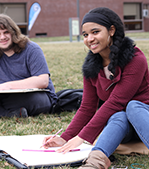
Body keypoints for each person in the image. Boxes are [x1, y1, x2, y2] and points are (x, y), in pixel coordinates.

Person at [42, 7, 149, 169]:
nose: (89, 38)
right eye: (85, 35)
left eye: (95, 32)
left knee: (131, 106)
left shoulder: (135, 59)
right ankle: (95, 163)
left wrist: (81, 137)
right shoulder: (91, 68)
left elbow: (116, 101)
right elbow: (87, 107)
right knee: (118, 115)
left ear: (111, 30)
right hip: (124, 129)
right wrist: (65, 137)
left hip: (144, 117)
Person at [0, 14, 57, 118]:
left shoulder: (32, 49)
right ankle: (10, 114)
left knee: (22, 100)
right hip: (6, 95)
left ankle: (0, 111)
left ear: (14, 32)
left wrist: (7, 86)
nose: (2, 37)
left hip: (37, 96)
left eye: (6, 32)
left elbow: (43, 81)